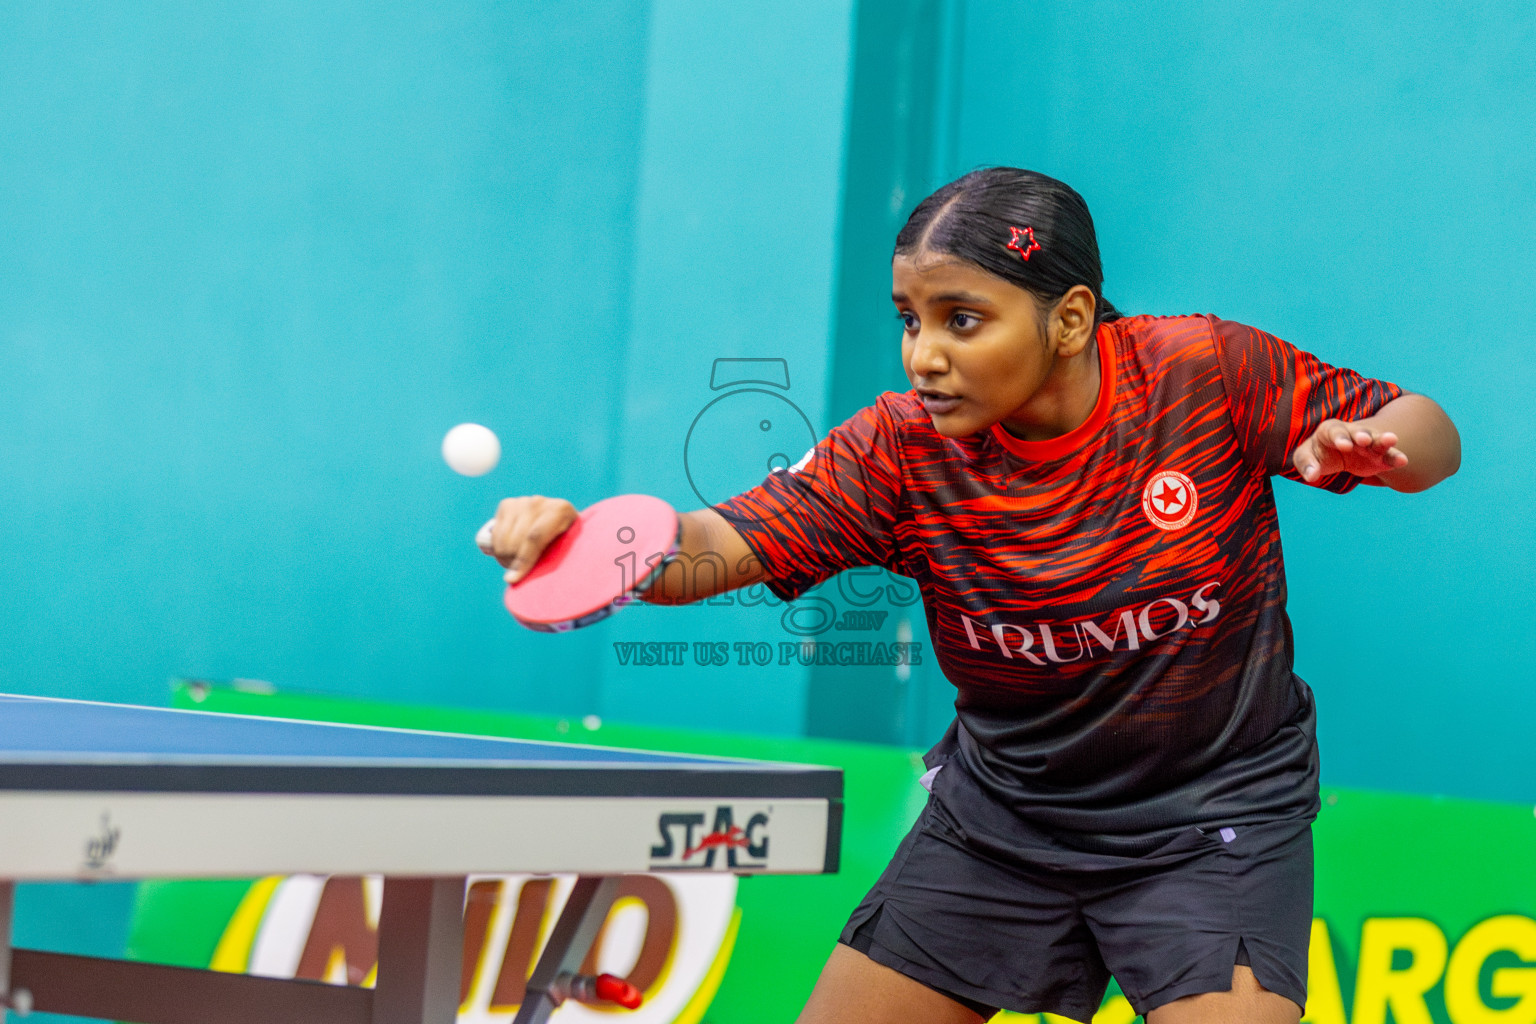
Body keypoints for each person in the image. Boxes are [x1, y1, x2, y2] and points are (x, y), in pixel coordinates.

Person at [482, 168, 1461, 1024]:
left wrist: (1384, 451)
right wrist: (596, 546)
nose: (923, 355)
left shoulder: (1202, 374)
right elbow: (719, 547)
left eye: (962, 319)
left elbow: (1424, 427)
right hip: (1005, 817)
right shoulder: (902, 450)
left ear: (1070, 317)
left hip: (1212, 819)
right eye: (910, 320)